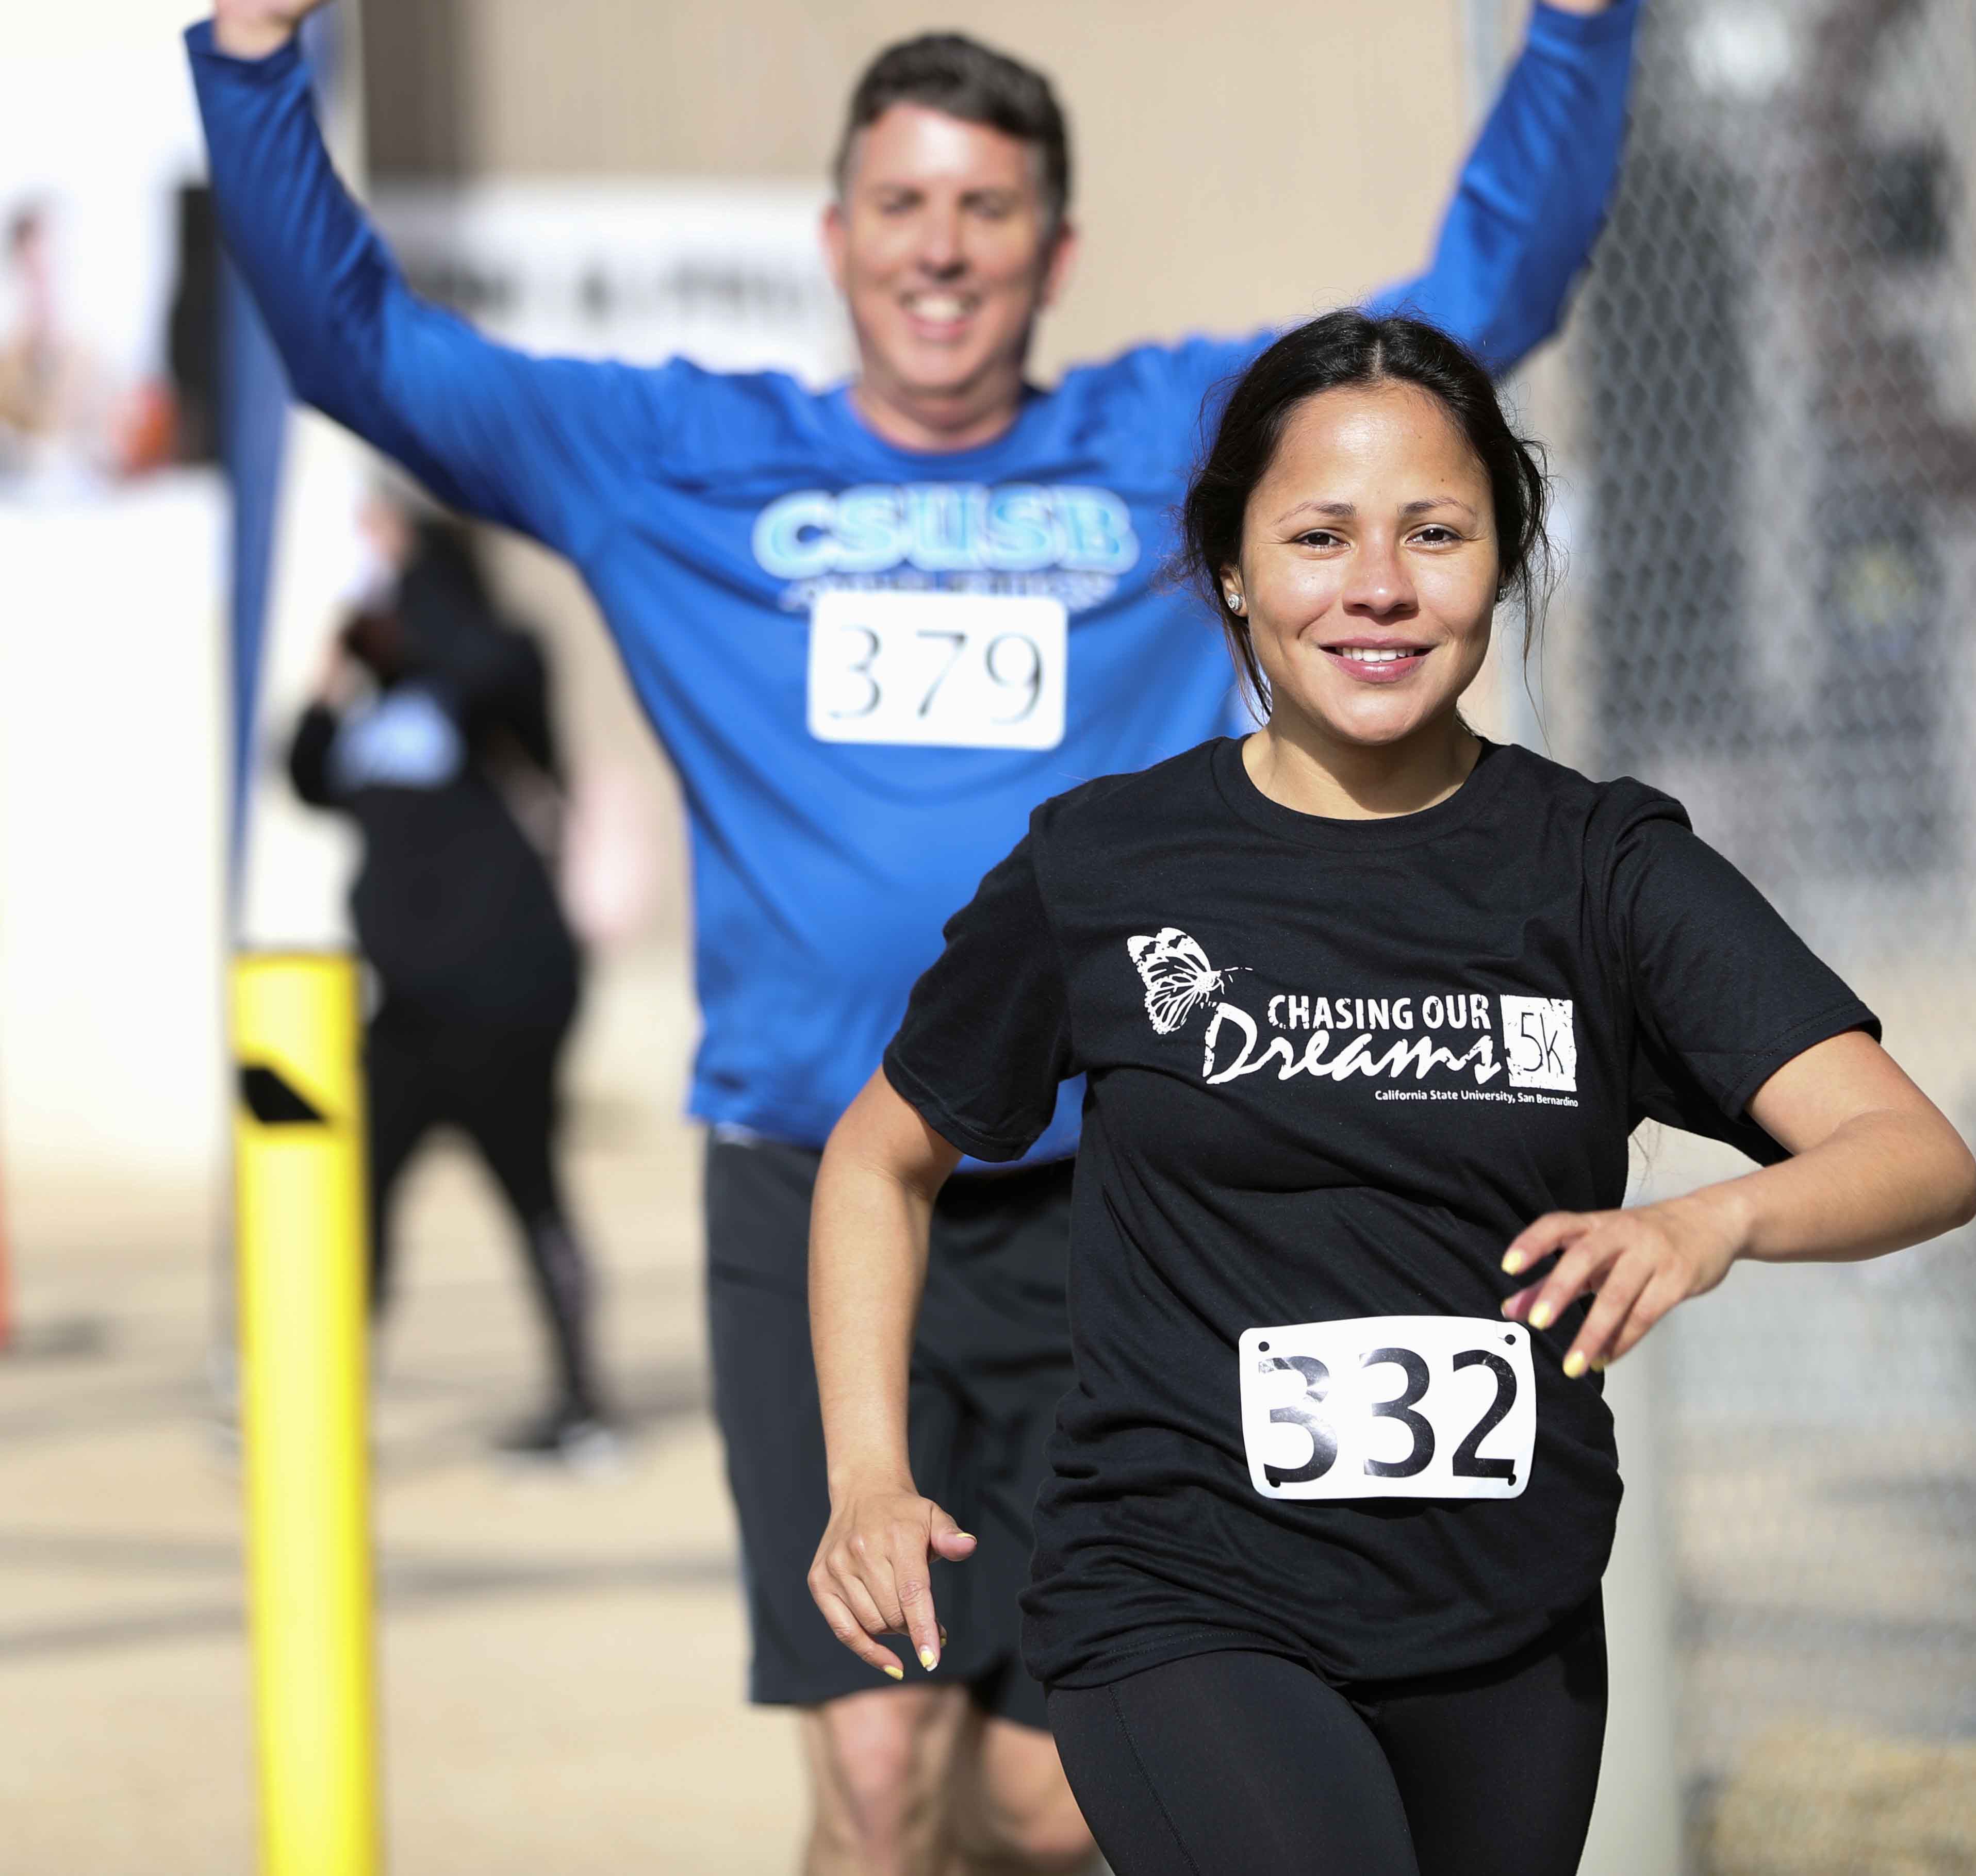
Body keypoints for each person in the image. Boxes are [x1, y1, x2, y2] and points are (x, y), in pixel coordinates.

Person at [189, 5, 1641, 1871]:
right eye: (902, 201)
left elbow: (1483, 288)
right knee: (876, 1778)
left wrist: (1584, 29)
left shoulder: (1174, 445)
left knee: (1050, 1800)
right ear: (837, 237)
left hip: (1123, 1212)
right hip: (819, 1193)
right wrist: (246, 63)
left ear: (1057, 249)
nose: (941, 244)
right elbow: (356, 349)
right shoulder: (672, 461)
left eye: (987, 205)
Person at [806, 310, 1976, 1876]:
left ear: (1500, 561)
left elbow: (1915, 1154)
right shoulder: (1107, 866)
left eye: (1436, 533)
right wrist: (870, 1480)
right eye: (1318, 536)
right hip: (1184, 1595)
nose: (1378, 587)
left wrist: (1716, 1222)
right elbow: (879, 1165)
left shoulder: (1603, 869)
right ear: (1232, 564)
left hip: (1508, 1617)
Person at [287, 500, 608, 1459]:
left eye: (391, 554)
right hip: (409, 1014)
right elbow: (305, 773)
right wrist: (334, 669)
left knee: (531, 1191)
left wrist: (420, 582)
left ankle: (581, 1409)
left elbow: (498, 670)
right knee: (355, 1198)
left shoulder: (493, 669)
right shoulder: (377, 697)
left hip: (509, 999)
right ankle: (323, 1399)